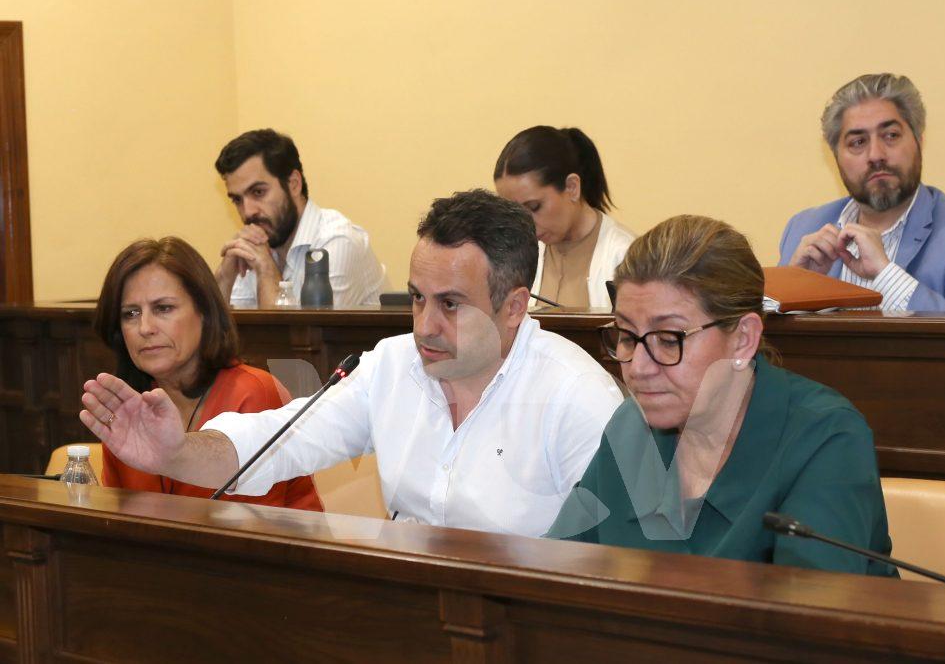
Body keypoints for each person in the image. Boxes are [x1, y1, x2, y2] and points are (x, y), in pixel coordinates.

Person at [81, 190, 623, 536]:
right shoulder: (392, 365)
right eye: (417, 298)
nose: (424, 325)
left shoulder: (577, 397)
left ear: (514, 307)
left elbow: (615, 557)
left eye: (451, 304)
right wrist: (176, 452)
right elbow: (275, 442)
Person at [547, 215, 896, 576]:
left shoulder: (825, 436)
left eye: (668, 339)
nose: (637, 367)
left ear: (743, 339)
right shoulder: (631, 426)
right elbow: (553, 569)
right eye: (626, 336)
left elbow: (812, 605)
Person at [92, 236, 323, 511]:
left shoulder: (253, 392)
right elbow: (117, 521)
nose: (145, 328)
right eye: (130, 313)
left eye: (163, 308)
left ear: (204, 313)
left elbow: (246, 527)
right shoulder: (126, 406)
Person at [779, 73, 945, 312]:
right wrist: (790, 294)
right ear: (836, 157)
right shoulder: (802, 228)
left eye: (891, 136)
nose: (876, 155)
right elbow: (760, 331)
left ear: (919, 141)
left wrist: (886, 274)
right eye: (858, 142)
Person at [213, 129, 387, 308]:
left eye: (258, 192)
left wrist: (266, 268)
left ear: (294, 184)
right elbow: (219, 325)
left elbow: (299, 327)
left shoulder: (338, 242)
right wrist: (224, 276)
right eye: (237, 200)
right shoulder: (256, 245)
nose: (248, 212)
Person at [494, 125, 635, 309]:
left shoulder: (625, 256)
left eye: (534, 207)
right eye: (516, 213)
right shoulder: (519, 256)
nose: (526, 225)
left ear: (572, 187)